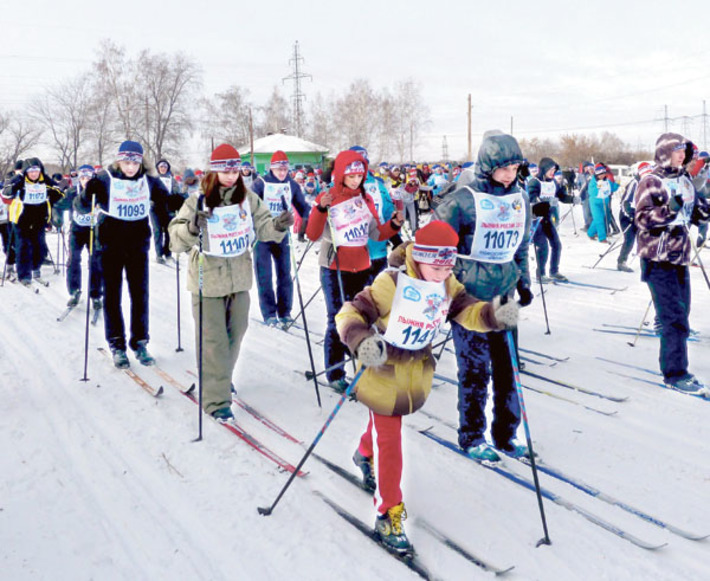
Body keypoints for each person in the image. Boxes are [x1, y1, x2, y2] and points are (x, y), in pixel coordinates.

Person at [335, 220, 518, 553]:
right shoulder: (391, 283)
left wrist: (494, 315)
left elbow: (469, 311)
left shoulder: (446, 283)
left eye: (448, 264)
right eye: (436, 264)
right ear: (418, 257)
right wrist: (360, 340)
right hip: (381, 369)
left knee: (382, 427)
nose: (442, 271)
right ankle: (388, 512)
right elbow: (350, 312)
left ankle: (364, 453)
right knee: (390, 441)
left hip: (414, 372)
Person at [168, 144, 294, 419]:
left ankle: (221, 377)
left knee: (234, 336)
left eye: (234, 169)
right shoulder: (197, 200)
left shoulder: (247, 199)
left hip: (239, 279)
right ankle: (216, 401)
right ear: (214, 170)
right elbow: (175, 238)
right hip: (207, 281)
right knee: (213, 341)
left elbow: (264, 227)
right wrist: (191, 228)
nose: (230, 174)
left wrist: (279, 225)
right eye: (224, 169)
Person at [435, 130, 533, 462]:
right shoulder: (464, 199)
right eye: (504, 167)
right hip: (470, 297)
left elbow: (521, 245)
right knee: (475, 370)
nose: (510, 174)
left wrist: (523, 281)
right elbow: (435, 242)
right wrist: (440, 287)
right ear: (488, 165)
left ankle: (506, 433)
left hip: (504, 295)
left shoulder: (520, 199)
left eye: (515, 167)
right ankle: (472, 435)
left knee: (509, 368)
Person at [306, 150, 403, 393]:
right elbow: (312, 234)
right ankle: (335, 371)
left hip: (361, 265)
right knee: (337, 319)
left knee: (361, 319)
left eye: (359, 176)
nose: (356, 180)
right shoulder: (328, 196)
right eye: (351, 176)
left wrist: (393, 225)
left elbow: (375, 233)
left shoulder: (364, 198)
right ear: (340, 174)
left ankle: (362, 366)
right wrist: (319, 208)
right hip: (334, 267)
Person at [83, 140, 170, 368]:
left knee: (140, 294)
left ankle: (140, 342)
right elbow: (83, 203)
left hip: (138, 244)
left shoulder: (149, 180)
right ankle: (117, 344)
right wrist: (87, 191)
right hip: (110, 244)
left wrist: (182, 204)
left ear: (141, 162)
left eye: (134, 162)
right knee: (112, 295)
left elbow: (165, 202)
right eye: (126, 161)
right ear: (118, 160)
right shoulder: (104, 178)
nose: (130, 167)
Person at [635, 133, 710, 393]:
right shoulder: (651, 181)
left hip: (679, 257)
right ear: (665, 152)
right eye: (678, 150)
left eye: (684, 151)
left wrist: (703, 210)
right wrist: (671, 208)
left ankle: (677, 365)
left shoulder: (685, 178)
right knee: (674, 318)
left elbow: (695, 212)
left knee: (682, 313)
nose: (683, 155)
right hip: (657, 258)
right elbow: (643, 219)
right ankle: (675, 373)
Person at [250, 150, 311, 328]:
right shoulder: (260, 183)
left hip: (282, 233)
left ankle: (285, 312)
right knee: (265, 275)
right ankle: (269, 313)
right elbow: (250, 206)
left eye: (285, 169)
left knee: (285, 273)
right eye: (278, 169)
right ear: (271, 168)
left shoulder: (291, 184)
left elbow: (302, 206)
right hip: (262, 235)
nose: (282, 172)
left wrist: (315, 217)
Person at [5, 158, 64, 287]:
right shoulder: (20, 180)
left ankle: (36, 268)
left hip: (39, 218)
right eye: (31, 171)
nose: (34, 174)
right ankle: (24, 275)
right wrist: (14, 183)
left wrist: (55, 197)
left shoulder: (45, 180)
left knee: (39, 245)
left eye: (36, 171)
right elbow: (6, 193)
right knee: (23, 246)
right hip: (22, 218)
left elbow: (59, 193)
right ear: (26, 172)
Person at [349, 145, 397, 283]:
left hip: (377, 251)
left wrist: (395, 238)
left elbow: (388, 213)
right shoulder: (340, 188)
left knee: (379, 298)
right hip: (353, 255)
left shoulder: (377, 185)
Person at [527, 157, 574, 282]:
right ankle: (540, 274)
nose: (553, 172)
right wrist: (546, 202)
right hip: (535, 219)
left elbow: (561, 196)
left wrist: (572, 199)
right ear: (544, 170)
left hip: (547, 217)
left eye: (554, 170)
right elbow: (532, 199)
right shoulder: (534, 182)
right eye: (550, 170)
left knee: (556, 244)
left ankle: (554, 271)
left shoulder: (553, 183)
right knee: (543, 246)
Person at [65, 165, 103, 309]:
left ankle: (96, 295)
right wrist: (55, 215)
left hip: (94, 230)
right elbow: (62, 204)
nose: (85, 181)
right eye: (83, 178)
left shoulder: (100, 192)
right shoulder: (73, 192)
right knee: (74, 258)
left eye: (88, 178)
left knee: (95, 261)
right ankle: (74, 291)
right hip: (77, 230)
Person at [616, 162, 653, 272]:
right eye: (647, 174)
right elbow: (625, 202)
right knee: (629, 239)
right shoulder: (635, 183)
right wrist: (631, 216)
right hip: (627, 216)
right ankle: (621, 262)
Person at [153, 159, 182, 264]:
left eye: (165, 167)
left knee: (169, 231)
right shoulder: (154, 179)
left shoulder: (172, 179)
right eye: (161, 167)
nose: (163, 169)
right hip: (155, 208)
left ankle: (168, 254)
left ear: (167, 168)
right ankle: (159, 254)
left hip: (168, 208)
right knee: (157, 231)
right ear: (158, 168)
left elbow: (176, 192)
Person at [586, 163, 619, 244]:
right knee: (599, 219)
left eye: (603, 174)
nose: (602, 176)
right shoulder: (593, 182)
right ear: (596, 174)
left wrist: (617, 184)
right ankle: (602, 237)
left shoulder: (607, 181)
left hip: (604, 203)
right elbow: (591, 192)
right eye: (600, 174)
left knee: (598, 219)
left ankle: (590, 233)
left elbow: (613, 188)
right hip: (595, 203)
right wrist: (599, 188)